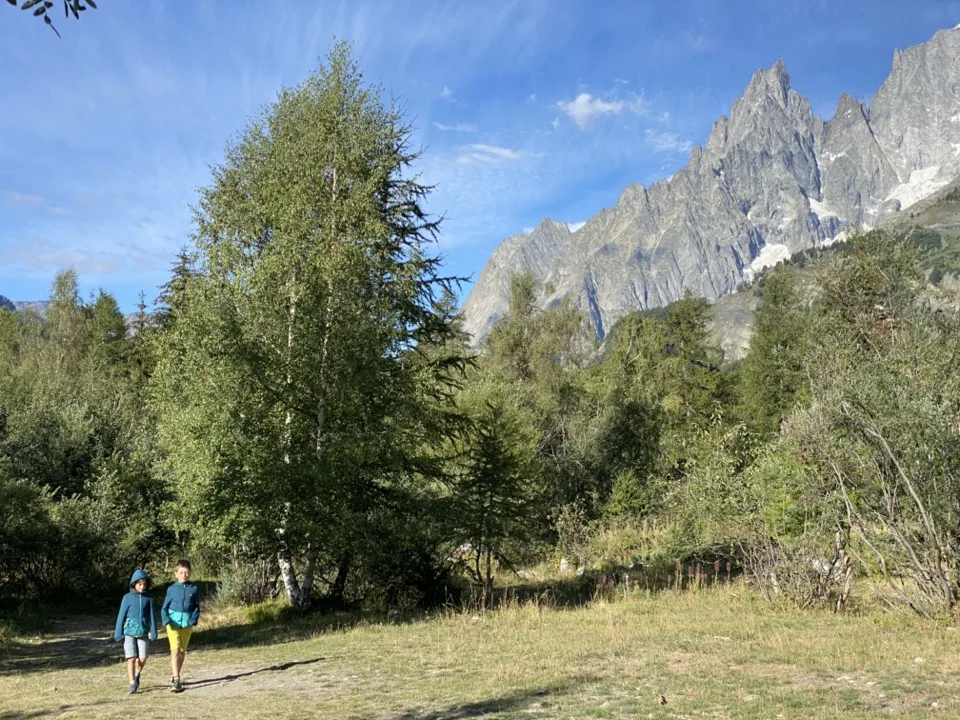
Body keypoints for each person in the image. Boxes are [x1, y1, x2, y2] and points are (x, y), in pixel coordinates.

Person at [113, 568, 158, 694]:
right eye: (139, 584)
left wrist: (153, 631)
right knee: (131, 658)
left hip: (143, 632)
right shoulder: (127, 598)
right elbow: (121, 615)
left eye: (144, 584)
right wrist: (118, 632)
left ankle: (137, 674)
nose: (142, 587)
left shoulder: (149, 599)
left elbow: (152, 616)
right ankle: (132, 683)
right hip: (129, 632)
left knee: (143, 658)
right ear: (134, 584)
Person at [161, 558, 200, 693]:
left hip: (187, 624)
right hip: (173, 624)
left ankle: (175, 674)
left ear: (190, 573)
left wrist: (193, 620)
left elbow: (196, 607)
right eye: (181, 572)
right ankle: (177, 679)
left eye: (187, 572)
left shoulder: (194, 588)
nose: (184, 575)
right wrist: (166, 621)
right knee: (175, 649)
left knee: (182, 651)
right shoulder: (172, 589)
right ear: (176, 573)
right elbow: (164, 608)